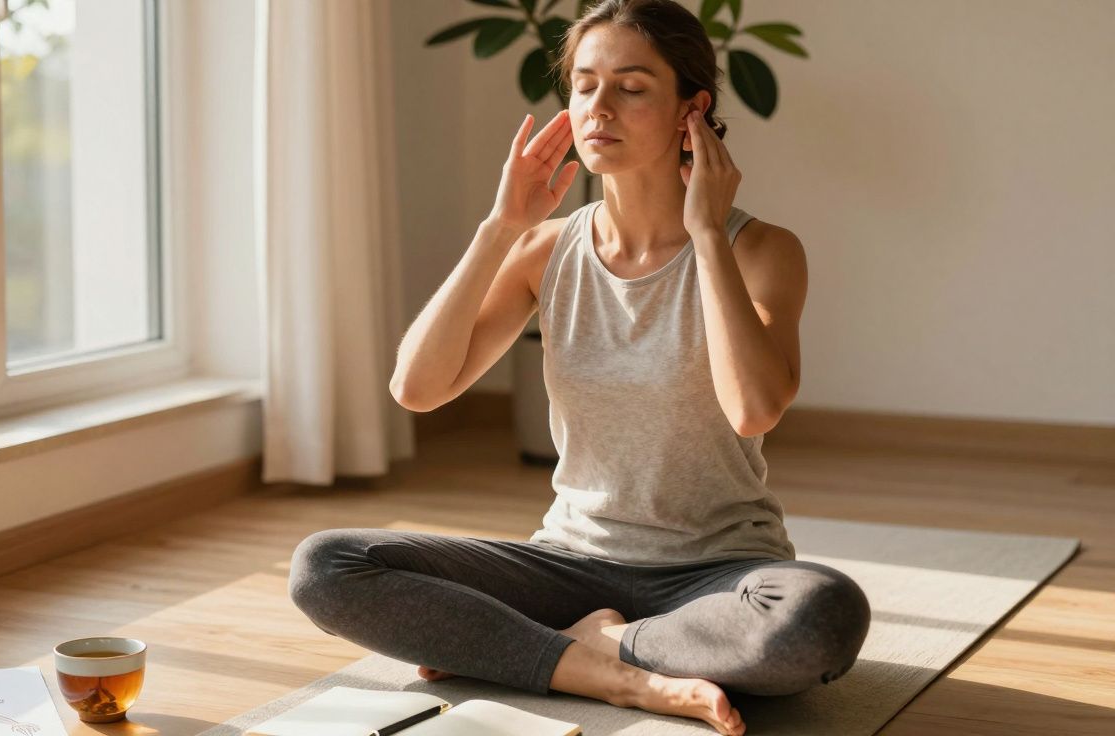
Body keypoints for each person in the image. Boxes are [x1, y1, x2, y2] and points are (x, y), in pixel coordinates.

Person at [287, 2, 869, 734]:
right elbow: (417, 388)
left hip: (718, 572)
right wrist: (500, 227)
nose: (600, 107)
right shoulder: (545, 250)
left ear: (692, 110)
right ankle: (611, 673)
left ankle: (574, 646)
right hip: (567, 566)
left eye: (631, 86)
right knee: (326, 566)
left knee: (819, 616)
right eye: (586, 84)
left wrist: (705, 234)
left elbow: (754, 408)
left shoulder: (759, 250)